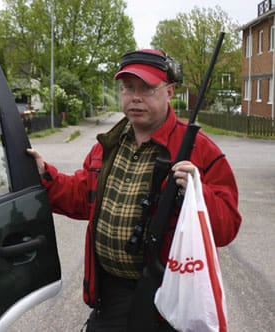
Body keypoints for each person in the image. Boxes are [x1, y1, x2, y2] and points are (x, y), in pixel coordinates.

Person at [27, 49, 241, 331]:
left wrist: (197, 194)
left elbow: (227, 227)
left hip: (167, 302)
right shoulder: (108, 146)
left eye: (147, 88)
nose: (135, 97)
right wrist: (46, 176)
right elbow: (82, 197)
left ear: (169, 92)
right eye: (128, 88)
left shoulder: (200, 150)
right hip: (110, 296)